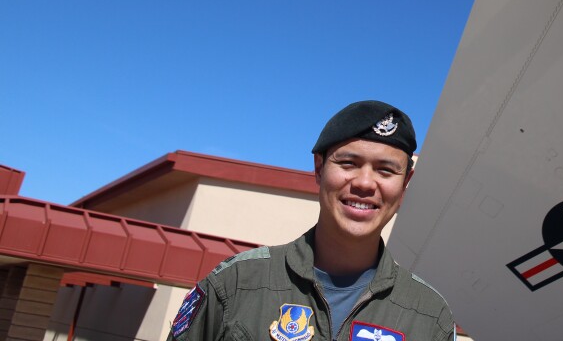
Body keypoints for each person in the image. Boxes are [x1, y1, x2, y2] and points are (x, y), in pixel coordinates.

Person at [168, 100, 456, 341]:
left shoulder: (429, 317)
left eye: (385, 170)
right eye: (348, 164)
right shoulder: (235, 285)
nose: (365, 183)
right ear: (319, 169)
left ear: (406, 183)